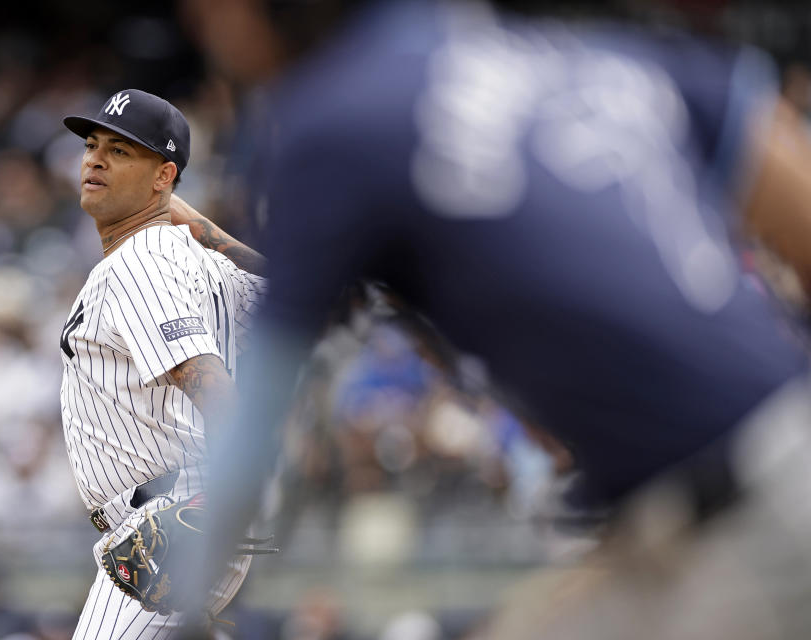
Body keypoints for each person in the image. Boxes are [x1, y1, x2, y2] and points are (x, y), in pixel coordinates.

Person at [171, 1, 811, 637]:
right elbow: (792, 188)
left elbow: (248, 430)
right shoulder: (579, 53)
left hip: (749, 519)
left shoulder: (329, 122)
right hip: (714, 498)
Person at [58, 88, 267, 638]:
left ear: (163, 174)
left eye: (122, 151)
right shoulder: (195, 260)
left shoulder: (140, 262)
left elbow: (207, 381)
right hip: (182, 512)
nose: (95, 158)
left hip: (181, 513)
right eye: (93, 144)